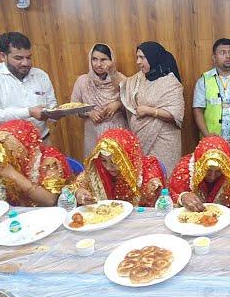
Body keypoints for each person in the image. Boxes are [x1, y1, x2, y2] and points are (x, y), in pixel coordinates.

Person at [0, 32, 60, 143]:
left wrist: (55, 113)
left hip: (42, 142)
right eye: (18, 58)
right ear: (3, 56)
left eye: (29, 57)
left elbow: (51, 106)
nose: (25, 63)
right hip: (6, 148)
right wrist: (28, 112)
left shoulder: (41, 75)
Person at [0, 120, 72, 209]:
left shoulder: (48, 161)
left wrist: (14, 175)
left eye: (10, 152)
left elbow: (50, 200)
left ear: (23, 148)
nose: (4, 158)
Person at [120, 41, 184, 178]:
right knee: (146, 180)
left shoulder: (170, 82)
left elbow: (176, 115)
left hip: (165, 140)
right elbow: (123, 87)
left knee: (164, 178)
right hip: (141, 137)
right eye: (137, 57)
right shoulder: (139, 79)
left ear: (153, 57)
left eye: (142, 57)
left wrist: (149, 111)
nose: (138, 62)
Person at [73, 128, 165, 207]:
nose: (108, 167)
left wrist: (151, 190)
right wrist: (78, 193)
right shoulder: (97, 170)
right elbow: (72, 188)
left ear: (127, 158)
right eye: (104, 160)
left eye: (115, 161)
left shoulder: (147, 170)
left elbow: (158, 204)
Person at [70, 43, 127, 159]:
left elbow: (132, 106)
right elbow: (72, 107)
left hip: (117, 132)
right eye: (94, 59)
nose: (98, 64)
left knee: (119, 168)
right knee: (96, 169)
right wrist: (89, 112)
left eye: (103, 60)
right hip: (93, 133)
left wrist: (118, 104)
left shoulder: (121, 79)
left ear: (112, 60)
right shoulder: (83, 81)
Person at [169, 136, 230, 211]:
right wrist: (182, 197)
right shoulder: (184, 170)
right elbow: (171, 196)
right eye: (207, 170)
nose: (212, 177)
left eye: (219, 171)